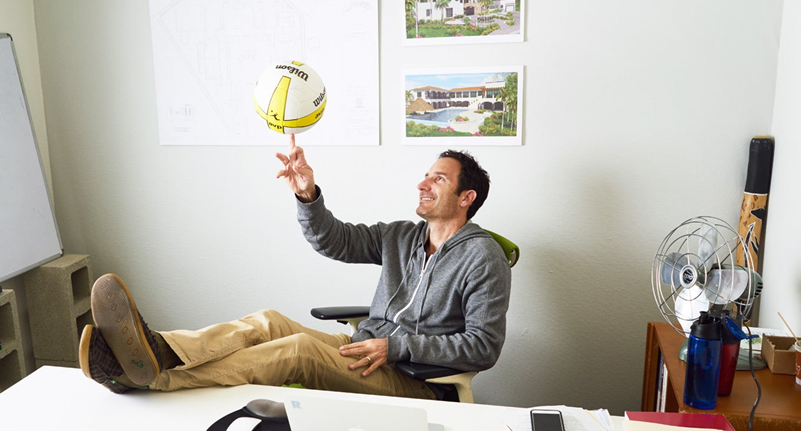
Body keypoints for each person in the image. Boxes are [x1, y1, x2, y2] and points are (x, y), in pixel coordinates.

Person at [79, 136, 511, 400]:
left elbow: (483, 346)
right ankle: (161, 351)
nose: (422, 183)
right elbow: (335, 240)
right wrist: (307, 194)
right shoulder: (403, 236)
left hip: (413, 380)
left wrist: (397, 348)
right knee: (268, 321)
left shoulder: (482, 257)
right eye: (426, 175)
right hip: (360, 349)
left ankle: (154, 381)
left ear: (466, 198)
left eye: (438, 179)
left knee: (298, 351)